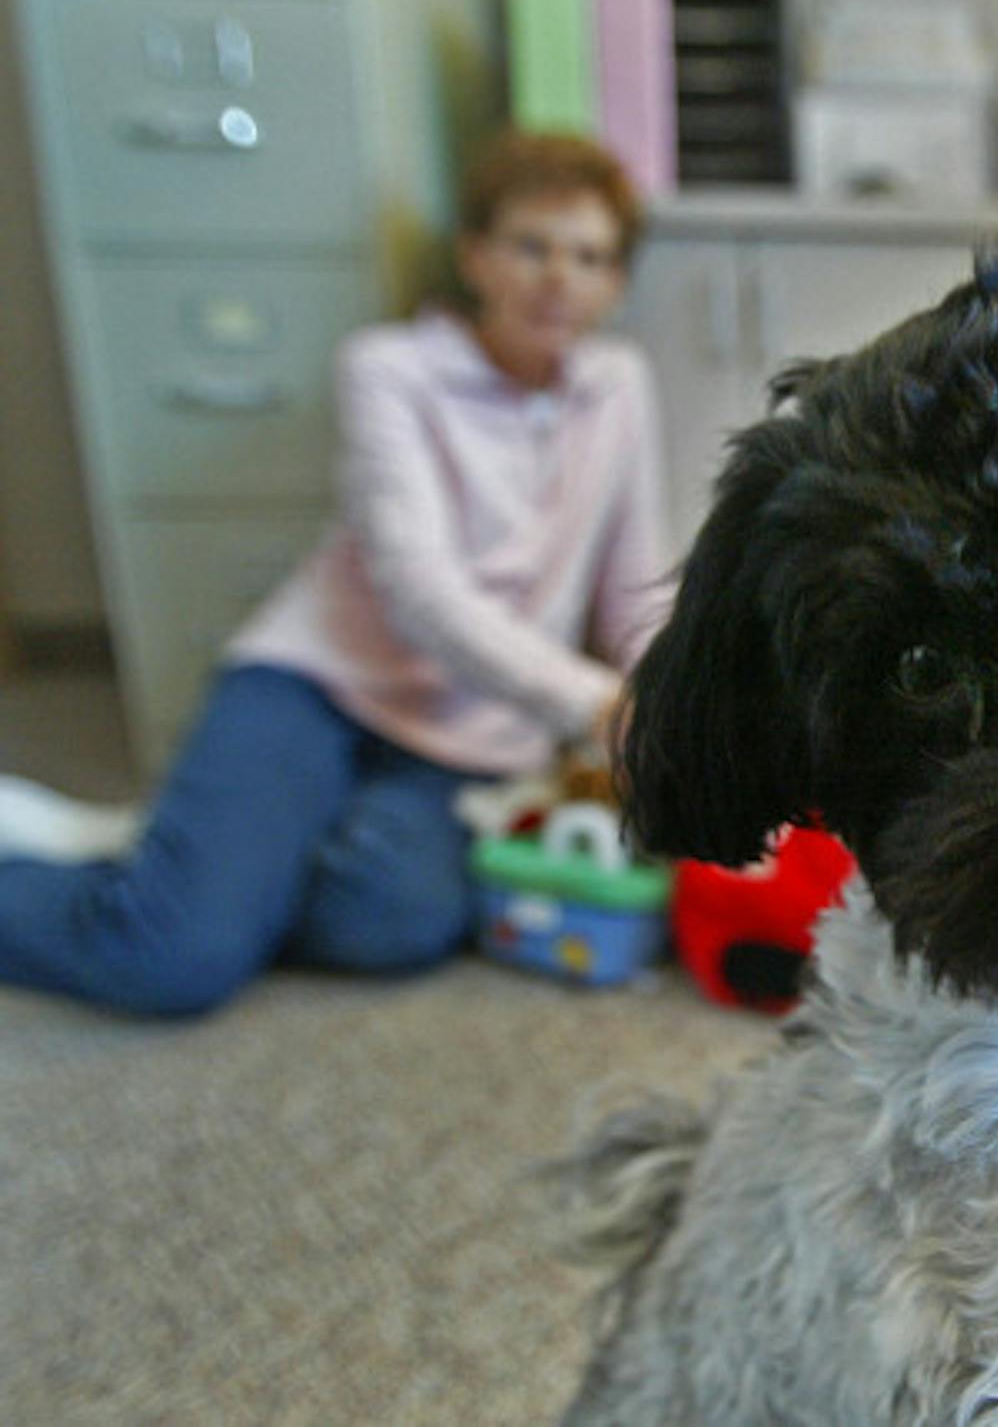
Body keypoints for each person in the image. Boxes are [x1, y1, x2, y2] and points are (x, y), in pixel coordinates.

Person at [0, 132, 673, 1016]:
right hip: (318, 681)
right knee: (171, 961)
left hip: (467, 737)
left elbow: (635, 582)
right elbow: (420, 588)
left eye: (589, 256)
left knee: (400, 920)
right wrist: (593, 705)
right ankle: (187, 877)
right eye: (531, 246)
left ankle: (189, 856)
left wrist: (671, 700)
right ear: (474, 255)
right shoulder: (387, 369)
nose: (558, 276)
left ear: (615, 282)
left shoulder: (619, 383)